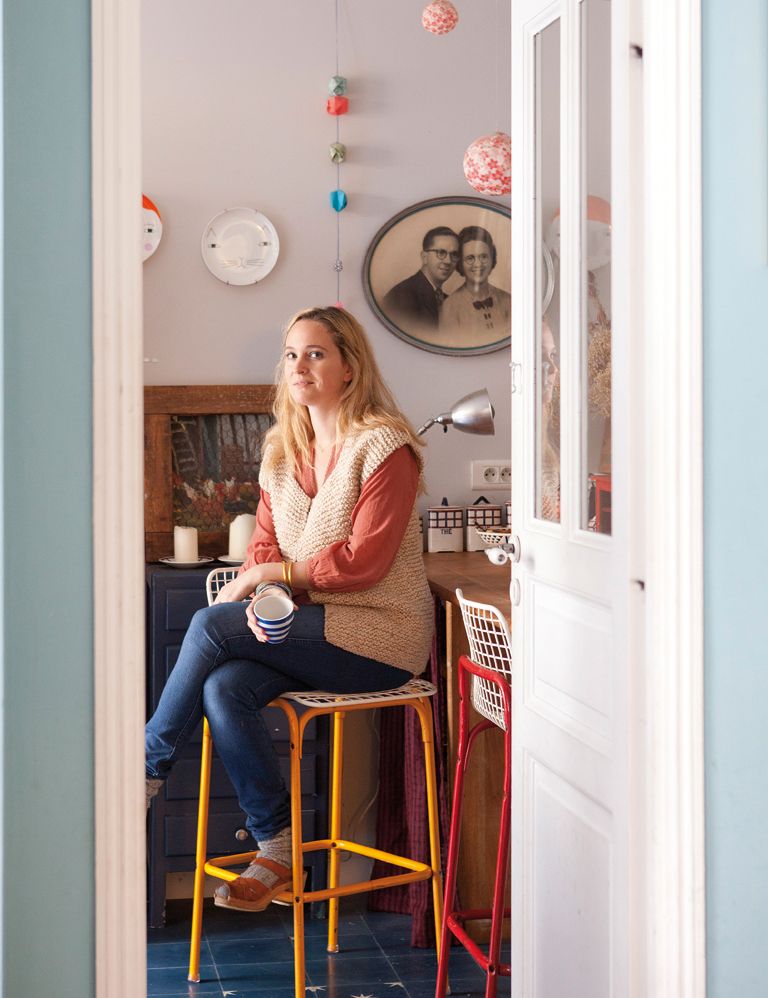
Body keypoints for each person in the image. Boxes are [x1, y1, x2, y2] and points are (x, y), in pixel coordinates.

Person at [145, 306, 435, 913]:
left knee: (208, 625)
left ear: (350, 367)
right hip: (310, 632)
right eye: (291, 354)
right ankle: (277, 849)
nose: (298, 366)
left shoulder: (386, 447)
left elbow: (363, 563)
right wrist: (270, 595)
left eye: (316, 353)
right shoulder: (282, 451)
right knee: (225, 687)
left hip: (381, 638)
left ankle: (144, 771)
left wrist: (260, 578)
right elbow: (267, 545)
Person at [440, 226, 511, 343]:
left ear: (492, 258)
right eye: (470, 258)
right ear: (460, 263)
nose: (478, 264)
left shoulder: (509, 301)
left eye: (483, 257)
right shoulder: (449, 308)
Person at [382, 226, 459, 331]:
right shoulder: (402, 296)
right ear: (424, 257)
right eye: (441, 253)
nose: (448, 261)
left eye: (454, 254)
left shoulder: (447, 300)